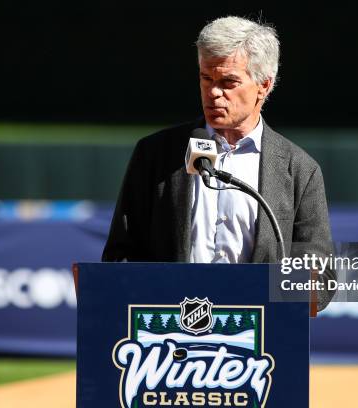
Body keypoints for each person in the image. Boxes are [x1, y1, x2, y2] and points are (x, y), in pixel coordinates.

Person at [102, 16, 336, 310]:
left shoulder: (299, 169)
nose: (213, 93)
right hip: (166, 339)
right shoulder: (155, 154)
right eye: (206, 79)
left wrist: (258, 293)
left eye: (229, 82)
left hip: (255, 340)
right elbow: (119, 256)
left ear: (264, 85)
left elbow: (322, 279)